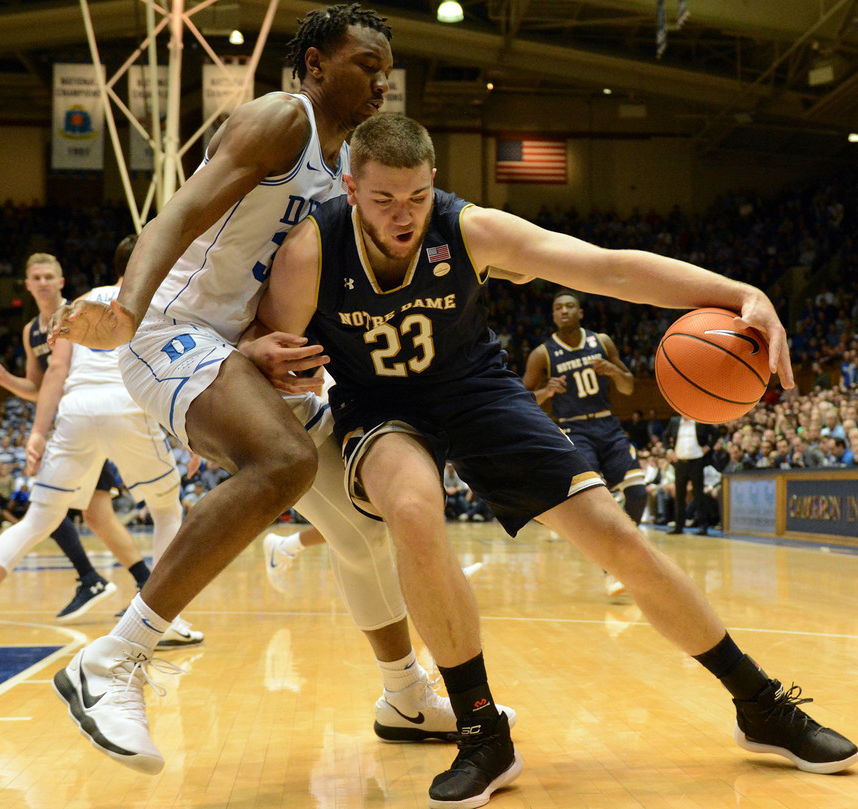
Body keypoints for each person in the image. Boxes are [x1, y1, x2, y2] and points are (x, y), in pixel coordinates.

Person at [252, 113, 858, 807]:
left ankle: (760, 705)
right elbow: (261, 340)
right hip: (380, 405)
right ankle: (484, 733)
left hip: (477, 390)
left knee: (619, 539)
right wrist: (255, 349)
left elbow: (607, 267)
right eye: (385, 199)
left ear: (434, 182)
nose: (404, 215)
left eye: (417, 197)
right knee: (414, 511)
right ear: (351, 188)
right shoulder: (311, 251)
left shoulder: (468, 228)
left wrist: (739, 293)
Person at [47, 4, 511, 777]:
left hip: (235, 347)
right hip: (170, 328)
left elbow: (287, 285)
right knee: (283, 461)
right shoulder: (281, 119)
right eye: (366, 65)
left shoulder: (345, 168)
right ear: (317, 64)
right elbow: (178, 213)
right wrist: (127, 307)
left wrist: (260, 341)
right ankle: (113, 659)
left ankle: (404, 694)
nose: (381, 83)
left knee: (362, 526)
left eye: (388, 72)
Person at [0, 258, 186, 665]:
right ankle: (161, 620)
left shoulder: (81, 302)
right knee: (166, 508)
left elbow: (57, 371)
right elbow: (168, 367)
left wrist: (38, 432)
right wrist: (190, 434)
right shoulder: (149, 298)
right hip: (123, 404)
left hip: (75, 410)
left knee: (39, 519)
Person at [0, 251, 152, 620]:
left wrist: (38, 432)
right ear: (27, 285)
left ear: (61, 282)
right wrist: (5, 379)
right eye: (36, 277)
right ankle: (142, 584)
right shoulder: (31, 331)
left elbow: (63, 372)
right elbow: (40, 386)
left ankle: (95, 579)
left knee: (51, 505)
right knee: (96, 515)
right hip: (73, 424)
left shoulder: (79, 312)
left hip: (89, 417)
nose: (43, 282)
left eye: (49, 277)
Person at [523, 289, 645, 595]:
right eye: (558, 307)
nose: (564, 311)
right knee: (594, 501)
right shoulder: (543, 353)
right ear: (553, 315)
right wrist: (546, 392)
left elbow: (629, 388)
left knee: (639, 493)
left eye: (570, 306)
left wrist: (613, 371)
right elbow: (521, 400)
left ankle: (620, 555)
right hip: (573, 429)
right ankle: (612, 567)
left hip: (608, 425)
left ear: (580, 313)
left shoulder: (601, 342)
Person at [664, 415, 716, 534]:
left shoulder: (700, 421)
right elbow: (665, 436)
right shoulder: (674, 421)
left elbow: (716, 432)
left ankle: (703, 526)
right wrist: (669, 450)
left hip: (696, 461)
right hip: (680, 462)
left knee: (698, 494)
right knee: (679, 495)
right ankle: (678, 526)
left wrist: (708, 446)